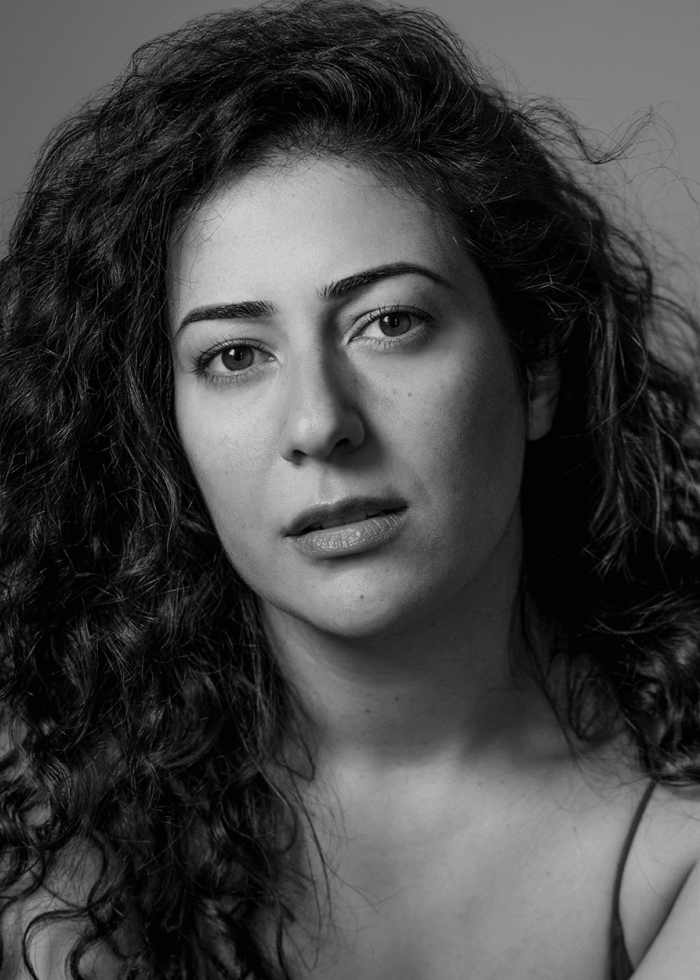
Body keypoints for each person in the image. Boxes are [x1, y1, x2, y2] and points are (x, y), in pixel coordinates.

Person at [1, 0, 699, 977]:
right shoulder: (68, 859)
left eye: (387, 322)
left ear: (534, 366)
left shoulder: (677, 846)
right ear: (169, 432)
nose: (319, 422)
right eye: (235, 353)